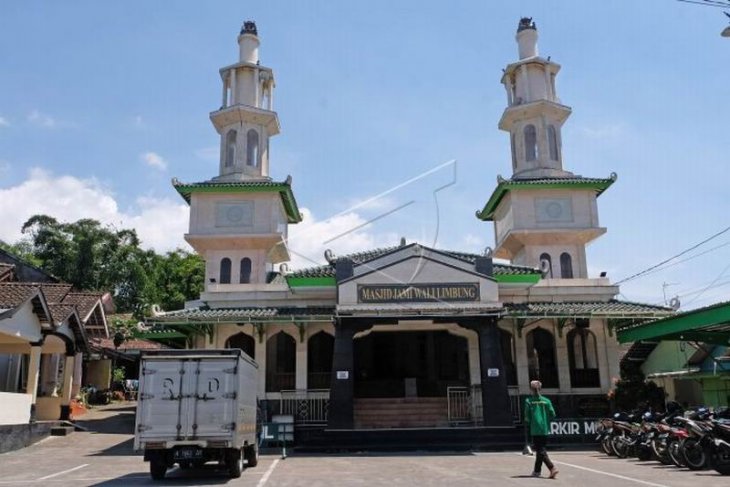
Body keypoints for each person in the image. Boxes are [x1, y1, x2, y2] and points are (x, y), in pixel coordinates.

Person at [524, 380, 558, 479]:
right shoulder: (547, 401)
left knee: (540, 450)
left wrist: (529, 423)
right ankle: (537, 471)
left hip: (535, 429)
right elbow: (553, 414)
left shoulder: (528, 401)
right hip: (544, 428)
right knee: (541, 450)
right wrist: (546, 420)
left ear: (531, 389)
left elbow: (527, 417)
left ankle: (552, 468)